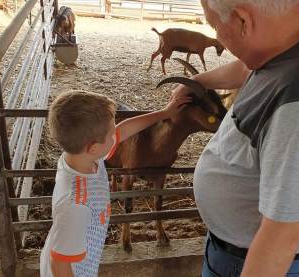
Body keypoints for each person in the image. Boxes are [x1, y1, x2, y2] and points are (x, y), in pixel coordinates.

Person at [172, 0, 299, 276]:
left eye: (214, 26)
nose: (217, 35)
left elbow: (283, 234)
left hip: (247, 261)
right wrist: (198, 82)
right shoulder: (291, 46)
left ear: (243, 20)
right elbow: (247, 69)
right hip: (231, 248)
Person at [40, 90, 190, 277]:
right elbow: (60, 264)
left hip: (82, 258)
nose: (116, 135)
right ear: (93, 147)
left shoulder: (85, 157)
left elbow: (124, 130)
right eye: (111, 133)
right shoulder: (76, 205)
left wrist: (164, 114)